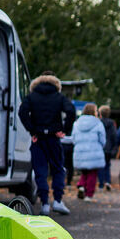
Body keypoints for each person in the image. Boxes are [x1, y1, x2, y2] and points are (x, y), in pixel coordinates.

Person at [17, 70, 75, 215]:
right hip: (54, 138)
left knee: (40, 171)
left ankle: (44, 203)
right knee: (58, 169)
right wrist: (64, 129)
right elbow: (71, 111)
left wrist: (32, 130)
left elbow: (22, 112)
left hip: (38, 138)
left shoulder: (32, 96)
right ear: (55, 82)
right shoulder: (59, 96)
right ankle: (58, 201)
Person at [72, 103, 106, 200]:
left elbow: (74, 138)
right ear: (93, 112)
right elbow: (102, 139)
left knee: (84, 171)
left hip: (80, 152)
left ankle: (81, 185)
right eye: (96, 111)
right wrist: (100, 146)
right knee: (92, 173)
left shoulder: (77, 123)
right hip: (94, 151)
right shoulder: (98, 123)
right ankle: (89, 195)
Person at [97, 105, 118, 191]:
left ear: (100, 114)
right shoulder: (112, 123)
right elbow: (114, 135)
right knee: (107, 165)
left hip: (100, 147)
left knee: (100, 166)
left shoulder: (98, 123)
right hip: (109, 148)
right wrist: (114, 147)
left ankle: (101, 184)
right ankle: (108, 181)